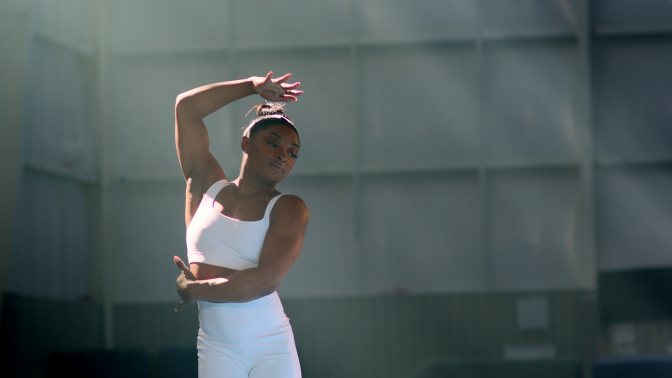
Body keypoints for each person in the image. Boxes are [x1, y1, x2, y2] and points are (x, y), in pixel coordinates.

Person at [172, 72, 308, 378]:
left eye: (292, 152)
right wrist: (251, 86)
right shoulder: (205, 186)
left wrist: (194, 290)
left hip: (271, 347)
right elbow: (186, 108)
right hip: (215, 347)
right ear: (246, 142)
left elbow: (264, 282)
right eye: (273, 143)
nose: (282, 156)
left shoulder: (288, 208)